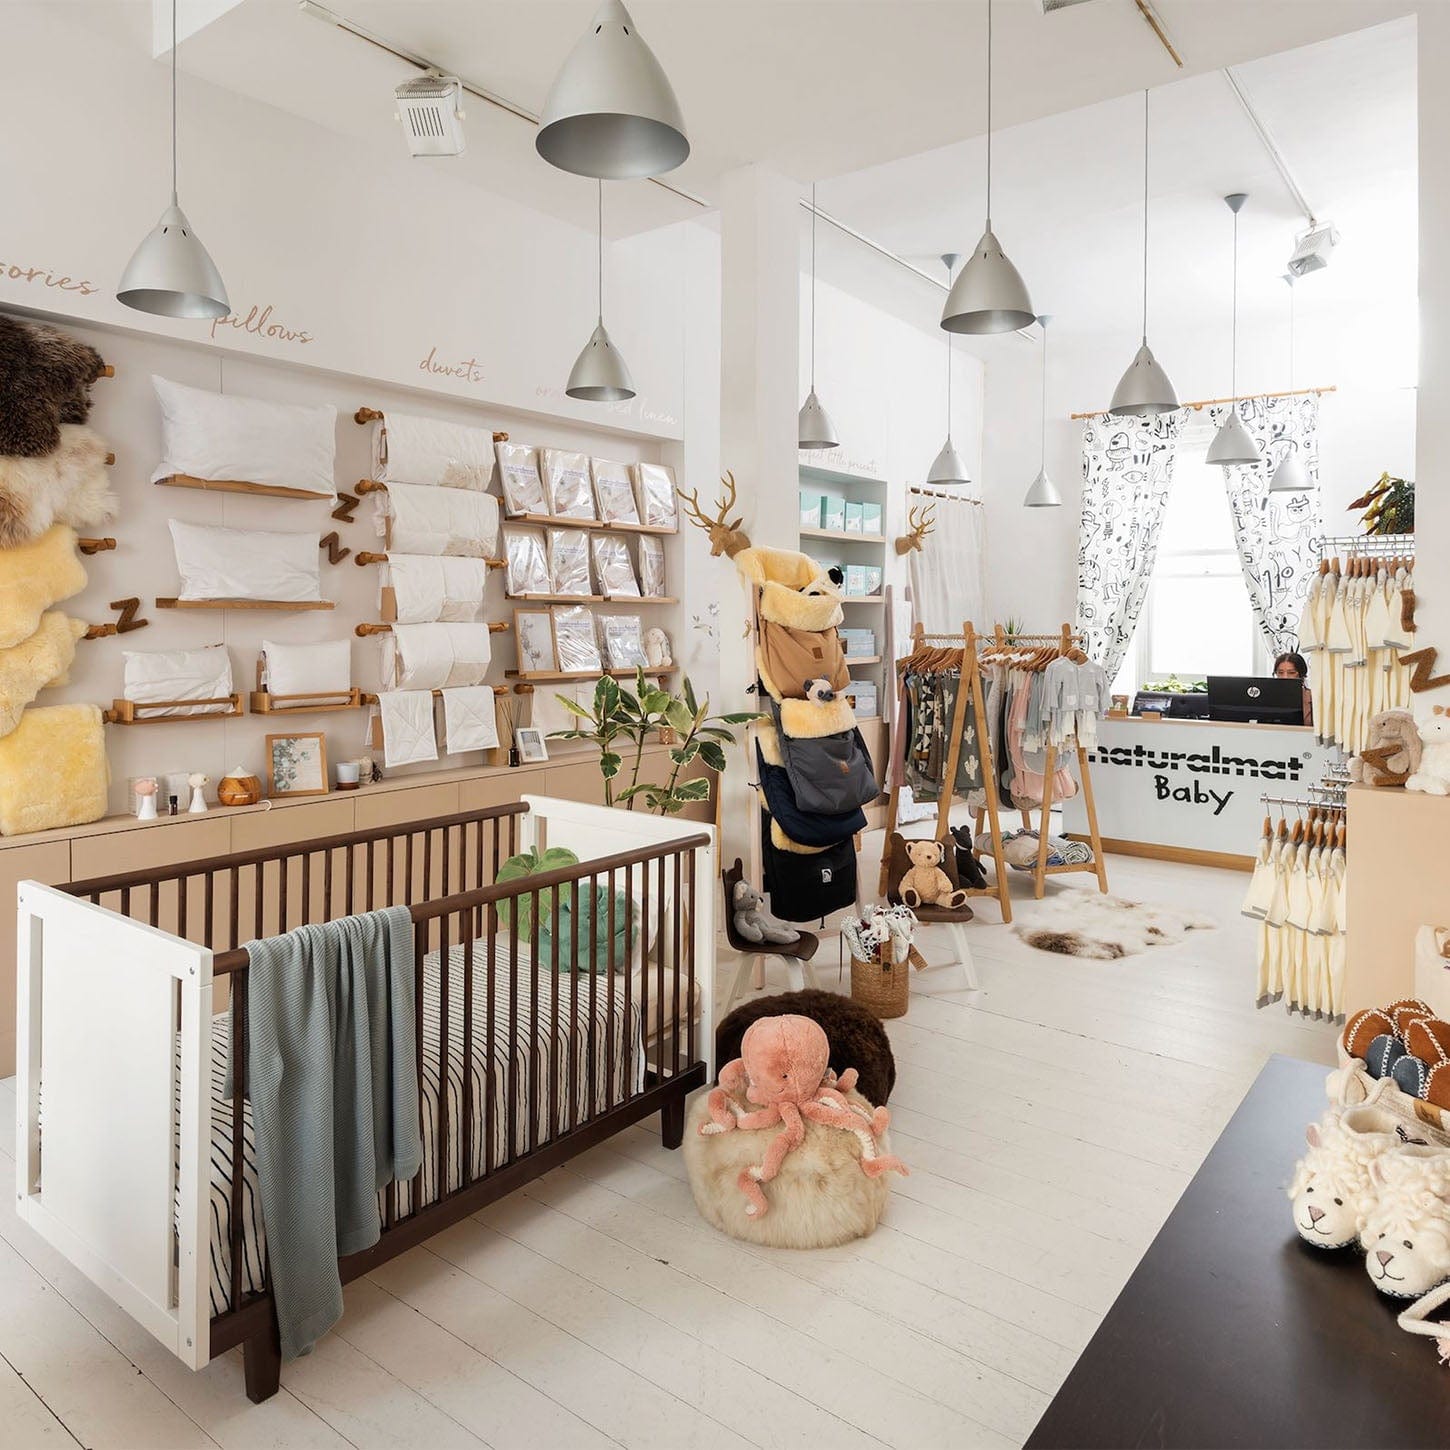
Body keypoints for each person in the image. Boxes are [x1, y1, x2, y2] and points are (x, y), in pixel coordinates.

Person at [1274, 651, 1313, 728]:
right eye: (1280, 672)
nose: (1285, 677)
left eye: (1291, 673)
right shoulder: (1269, 697)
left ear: (1301, 675)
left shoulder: (1313, 698)